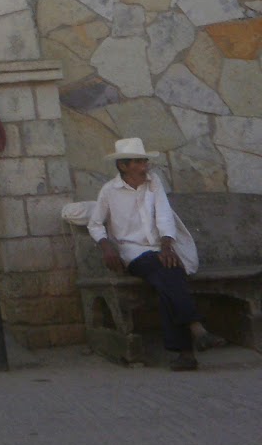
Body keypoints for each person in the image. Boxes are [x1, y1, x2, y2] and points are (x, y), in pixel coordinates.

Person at [88, 137, 225, 371]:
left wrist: (167, 246)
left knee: (168, 281)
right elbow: (95, 223)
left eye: (145, 161)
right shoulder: (109, 191)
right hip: (133, 253)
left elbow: (164, 215)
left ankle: (186, 355)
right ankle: (196, 330)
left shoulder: (154, 182)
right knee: (170, 272)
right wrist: (106, 246)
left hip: (159, 249)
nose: (145, 166)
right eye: (139, 162)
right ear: (123, 166)